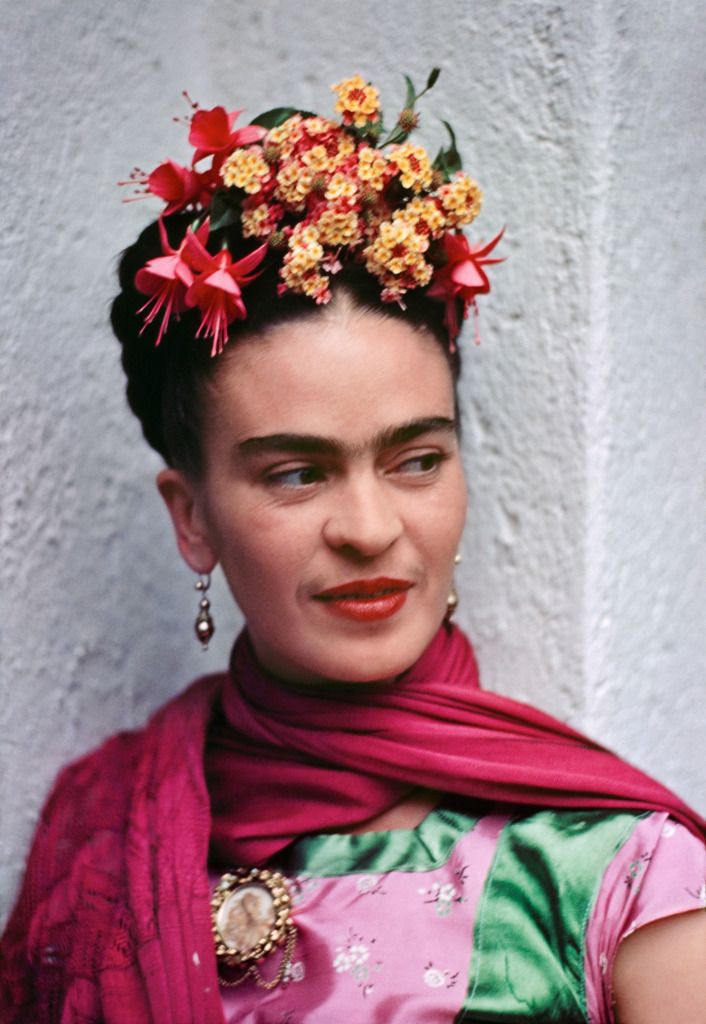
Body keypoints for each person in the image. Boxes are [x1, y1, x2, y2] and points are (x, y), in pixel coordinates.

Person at [1, 72, 704, 1024]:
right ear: (192, 518)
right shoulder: (99, 838)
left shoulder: (621, 876)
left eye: (416, 460)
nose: (370, 529)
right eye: (296, 474)